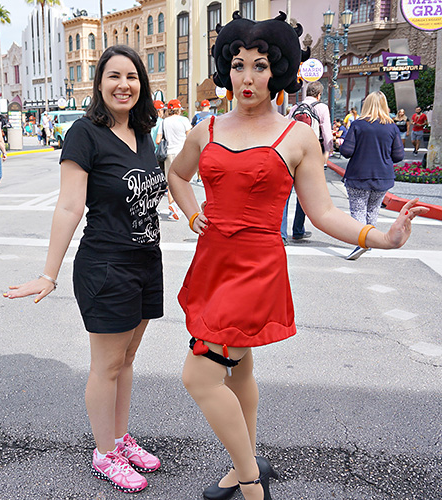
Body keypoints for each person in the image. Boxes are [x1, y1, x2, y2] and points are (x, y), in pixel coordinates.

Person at [167, 12, 428, 500]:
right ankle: (244, 463)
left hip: (255, 268)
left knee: (199, 374)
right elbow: (176, 173)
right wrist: (192, 213)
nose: (248, 77)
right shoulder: (206, 128)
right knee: (237, 366)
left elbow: (325, 213)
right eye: (239, 64)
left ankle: (250, 483)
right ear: (227, 68)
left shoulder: (298, 136)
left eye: (260, 66)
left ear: (279, 70)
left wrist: (380, 237)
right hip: (211, 263)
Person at [3, 45, 167, 493]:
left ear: (141, 84)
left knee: (128, 360)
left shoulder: (144, 131)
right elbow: (70, 205)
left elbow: (154, 191)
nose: (123, 84)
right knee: (107, 365)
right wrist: (49, 273)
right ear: (99, 83)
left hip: (146, 262)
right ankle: (103, 453)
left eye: (131, 77)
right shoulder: (84, 134)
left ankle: (119, 438)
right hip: (106, 266)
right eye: (113, 76)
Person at [340, 91, 405, 260]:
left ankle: (361, 243)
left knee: (359, 210)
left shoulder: (358, 125)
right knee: (373, 210)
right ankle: (369, 242)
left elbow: (346, 151)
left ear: (366, 105)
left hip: (358, 174)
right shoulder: (392, 126)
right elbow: (398, 156)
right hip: (383, 176)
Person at [287, 80, 332, 241]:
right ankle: (298, 229)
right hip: (310, 153)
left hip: (291, 151)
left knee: (285, 193)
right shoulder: (321, 107)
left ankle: (281, 233)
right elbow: (327, 133)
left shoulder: (295, 107)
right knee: (304, 192)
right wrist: (327, 152)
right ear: (319, 94)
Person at [156, 98, 191, 220]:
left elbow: (158, 140)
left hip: (169, 153)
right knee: (183, 180)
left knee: (171, 181)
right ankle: (180, 206)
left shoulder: (164, 122)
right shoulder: (184, 120)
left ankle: (172, 206)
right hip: (183, 153)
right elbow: (190, 137)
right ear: (179, 110)